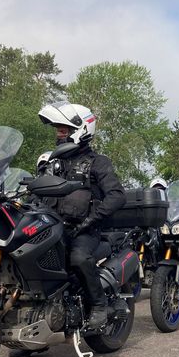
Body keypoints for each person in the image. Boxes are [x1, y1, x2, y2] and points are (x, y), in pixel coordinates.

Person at [38, 101, 125, 330]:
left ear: (80, 130)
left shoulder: (98, 163)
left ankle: (99, 305)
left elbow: (117, 196)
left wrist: (91, 219)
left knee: (77, 258)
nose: (58, 134)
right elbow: (36, 193)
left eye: (63, 129)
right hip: (52, 229)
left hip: (85, 231)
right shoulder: (53, 163)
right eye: (57, 129)